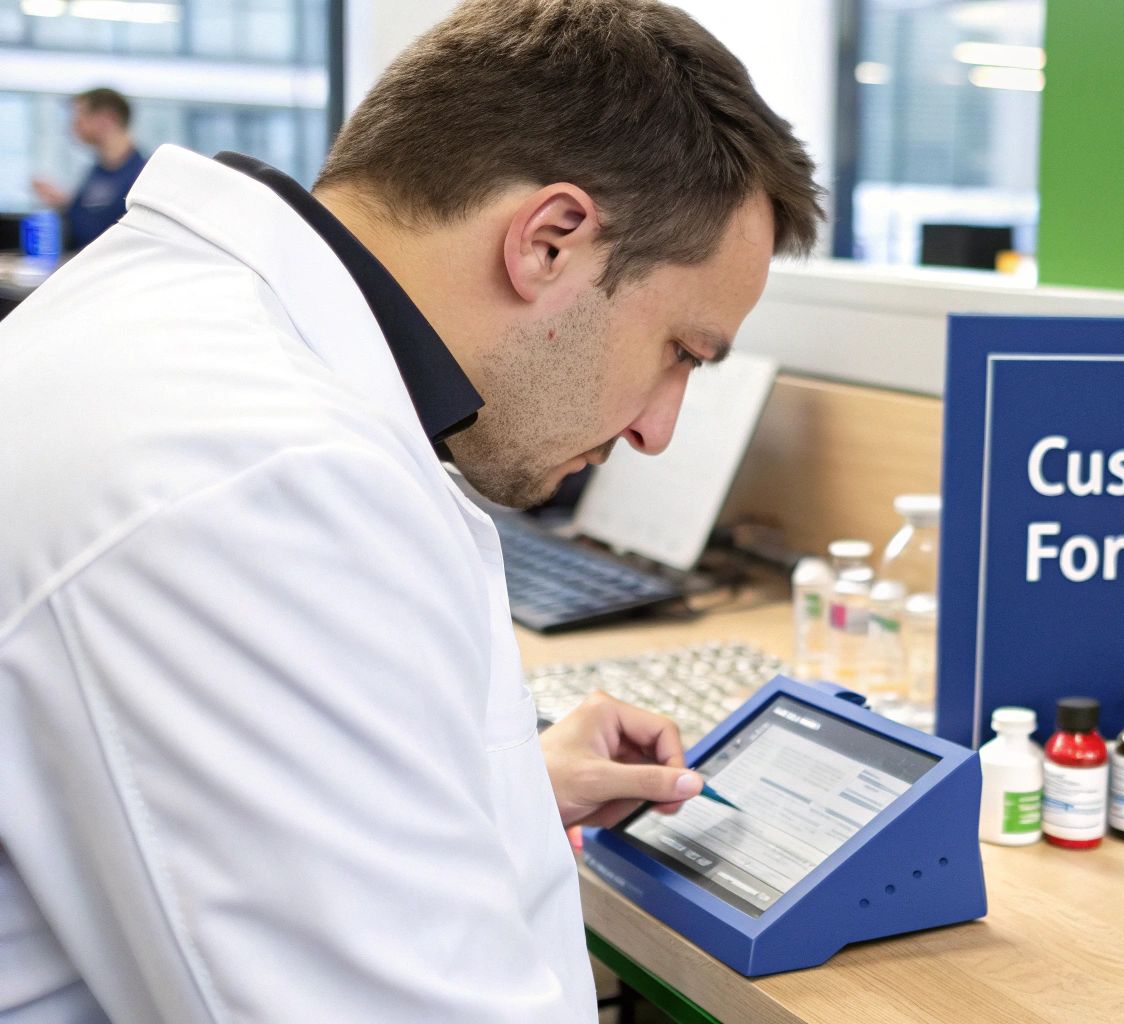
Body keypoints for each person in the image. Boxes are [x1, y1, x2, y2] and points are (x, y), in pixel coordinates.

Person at [0, 0, 820, 1020]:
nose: (658, 430)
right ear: (551, 242)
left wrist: (503, 787)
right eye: (680, 353)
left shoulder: (199, 337)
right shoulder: (262, 483)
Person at [30, 87, 148, 251]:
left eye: (80, 118)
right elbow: (82, 221)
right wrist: (62, 202)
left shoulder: (143, 174)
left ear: (107, 118)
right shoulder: (96, 172)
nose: (74, 126)